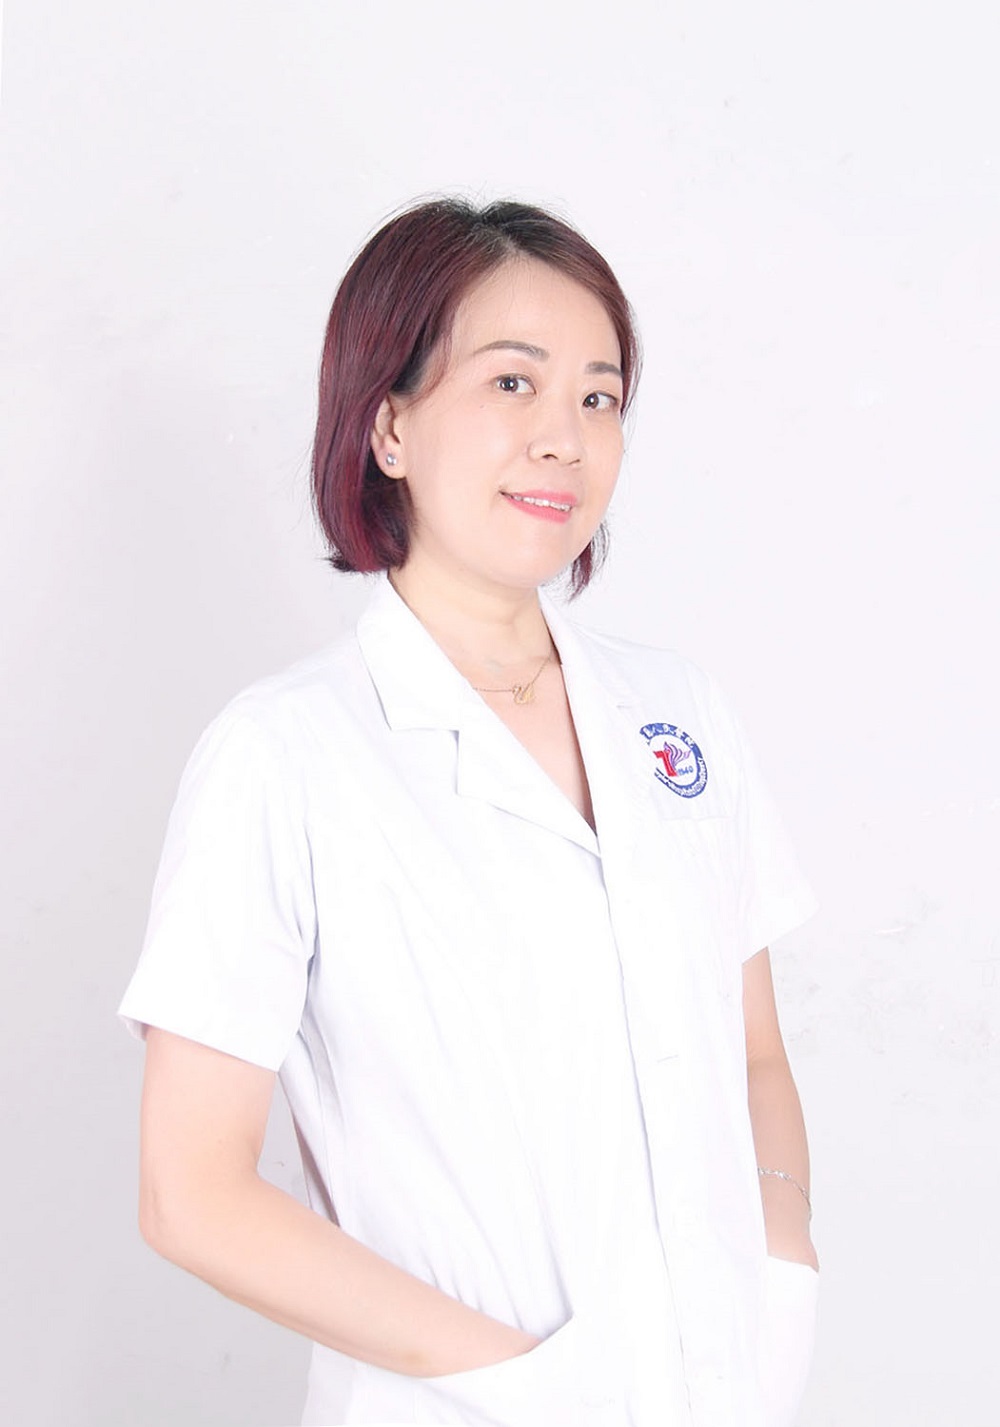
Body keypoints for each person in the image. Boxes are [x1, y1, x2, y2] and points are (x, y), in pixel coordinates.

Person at [119, 197, 820, 1427]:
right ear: (388, 424)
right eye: (512, 382)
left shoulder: (679, 715)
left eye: (599, 397)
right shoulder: (284, 754)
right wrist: (531, 1382)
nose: (563, 438)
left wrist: (782, 1272)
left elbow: (751, 1048)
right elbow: (192, 1191)